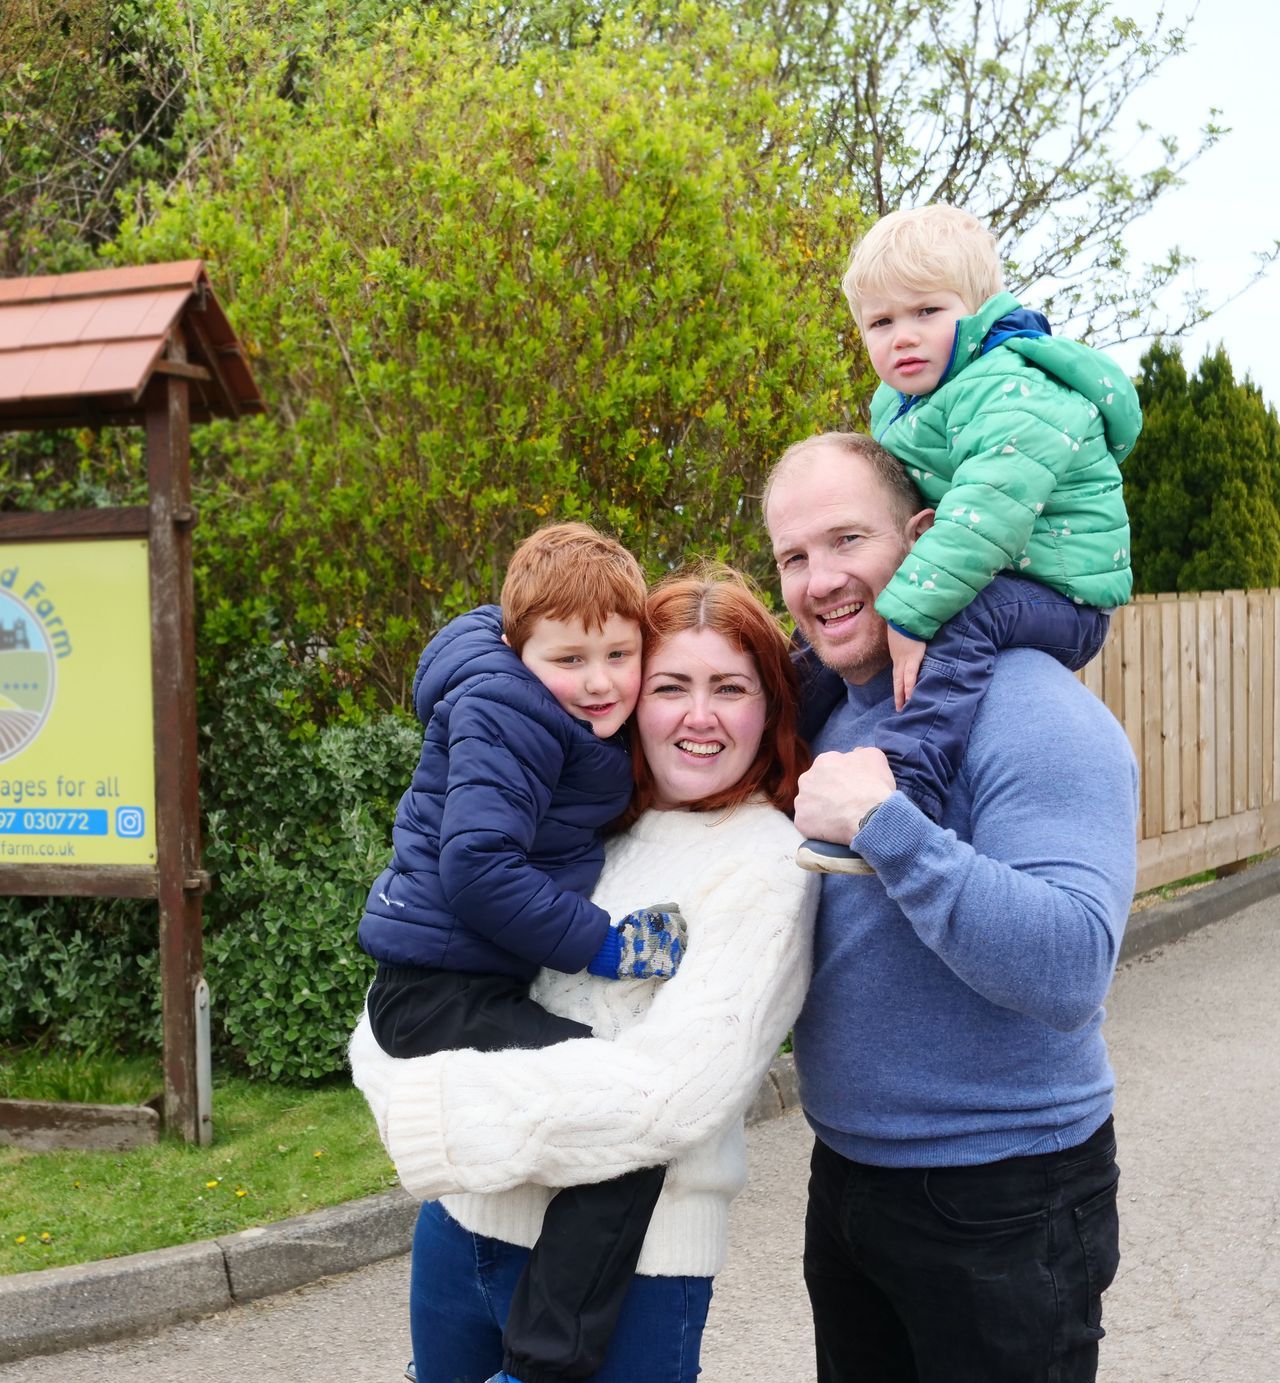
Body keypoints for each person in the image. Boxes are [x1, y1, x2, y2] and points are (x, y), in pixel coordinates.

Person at [352, 565, 819, 1383]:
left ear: (770, 705)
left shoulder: (766, 862)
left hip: (634, 1272)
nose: (698, 716)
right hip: (463, 1226)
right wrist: (403, 1081)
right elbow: (418, 992)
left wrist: (424, 1111)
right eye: (671, 684)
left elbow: (667, 1097)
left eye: (731, 688)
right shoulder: (583, 814)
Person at [765, 431, 1137, 1382]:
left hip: (1004, 1202)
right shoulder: (841, 707)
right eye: (795, 556)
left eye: (848, 540)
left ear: (924, 535)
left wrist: (887, 825)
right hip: (849, 1180)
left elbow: (1070, 966)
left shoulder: (1031, 707)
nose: (820, 580)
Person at [356, 522, 690, 1383]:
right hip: (436, 989)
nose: (601, 681)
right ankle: (539, 1367)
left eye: (620, 653)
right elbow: (478, 868)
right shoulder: (510, 709)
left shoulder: (539, 704)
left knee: (606, 1114)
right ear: (518, 647)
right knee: (628, 1116)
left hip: (452, 979)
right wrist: (608, 948)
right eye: (570, 658)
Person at [796, 203, 1138, 874]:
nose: (904, 337)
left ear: (979, 310)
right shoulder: (907, 402)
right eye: (882, 322)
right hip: (1001, 569)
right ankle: (770, 754)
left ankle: (908, 787)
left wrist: (911, 605)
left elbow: (989, 509)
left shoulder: (1012, 388)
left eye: (928, 312)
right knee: (813, 640)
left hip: (1062, 595)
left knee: (962, 620)